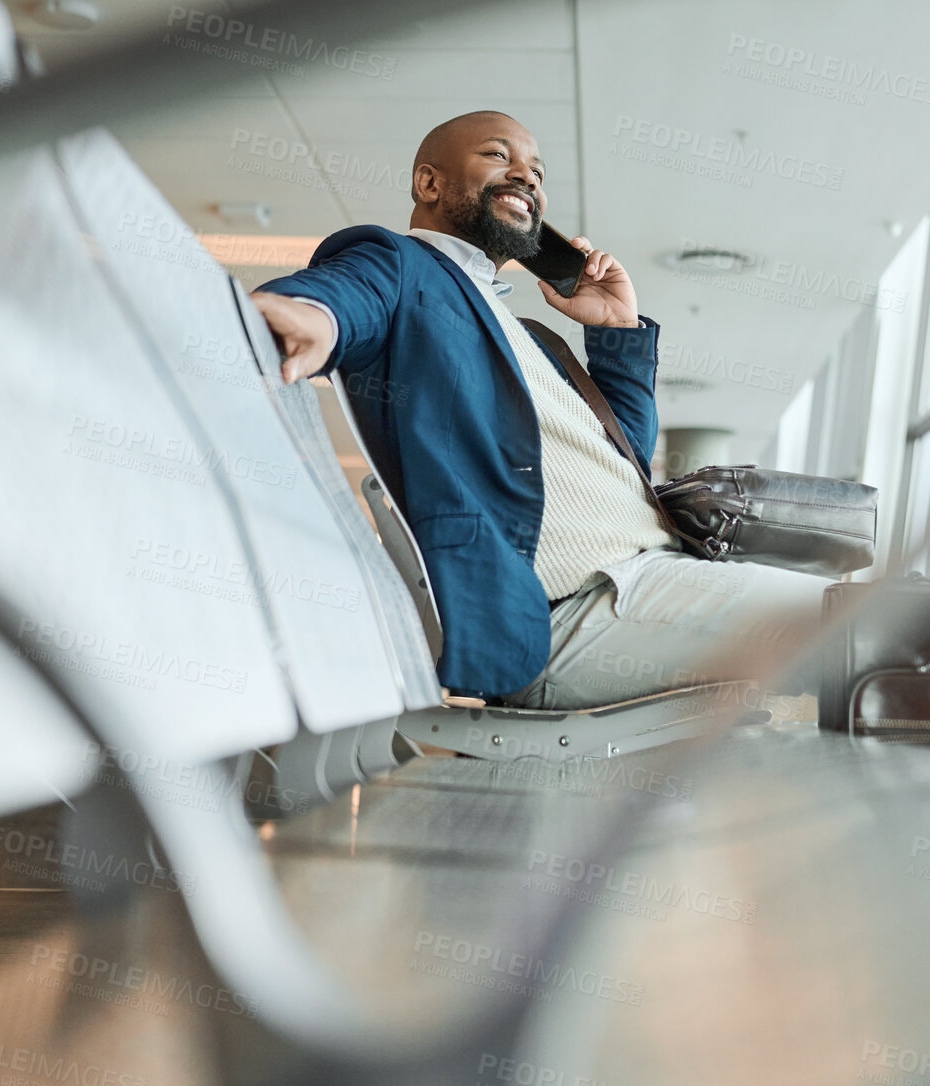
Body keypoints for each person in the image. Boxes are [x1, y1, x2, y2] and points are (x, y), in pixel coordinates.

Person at [251, 111, 826, 709]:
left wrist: (618, 327)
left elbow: (623, 458)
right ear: (430, 184)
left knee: (884, 626)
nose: (526, 176)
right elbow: (352, 290)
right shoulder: (404, 265)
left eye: (537, 170)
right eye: (500, 157)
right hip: (572, 613)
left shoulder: (527, 336)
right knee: (870, 626)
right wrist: (314, 315)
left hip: (650, 581)